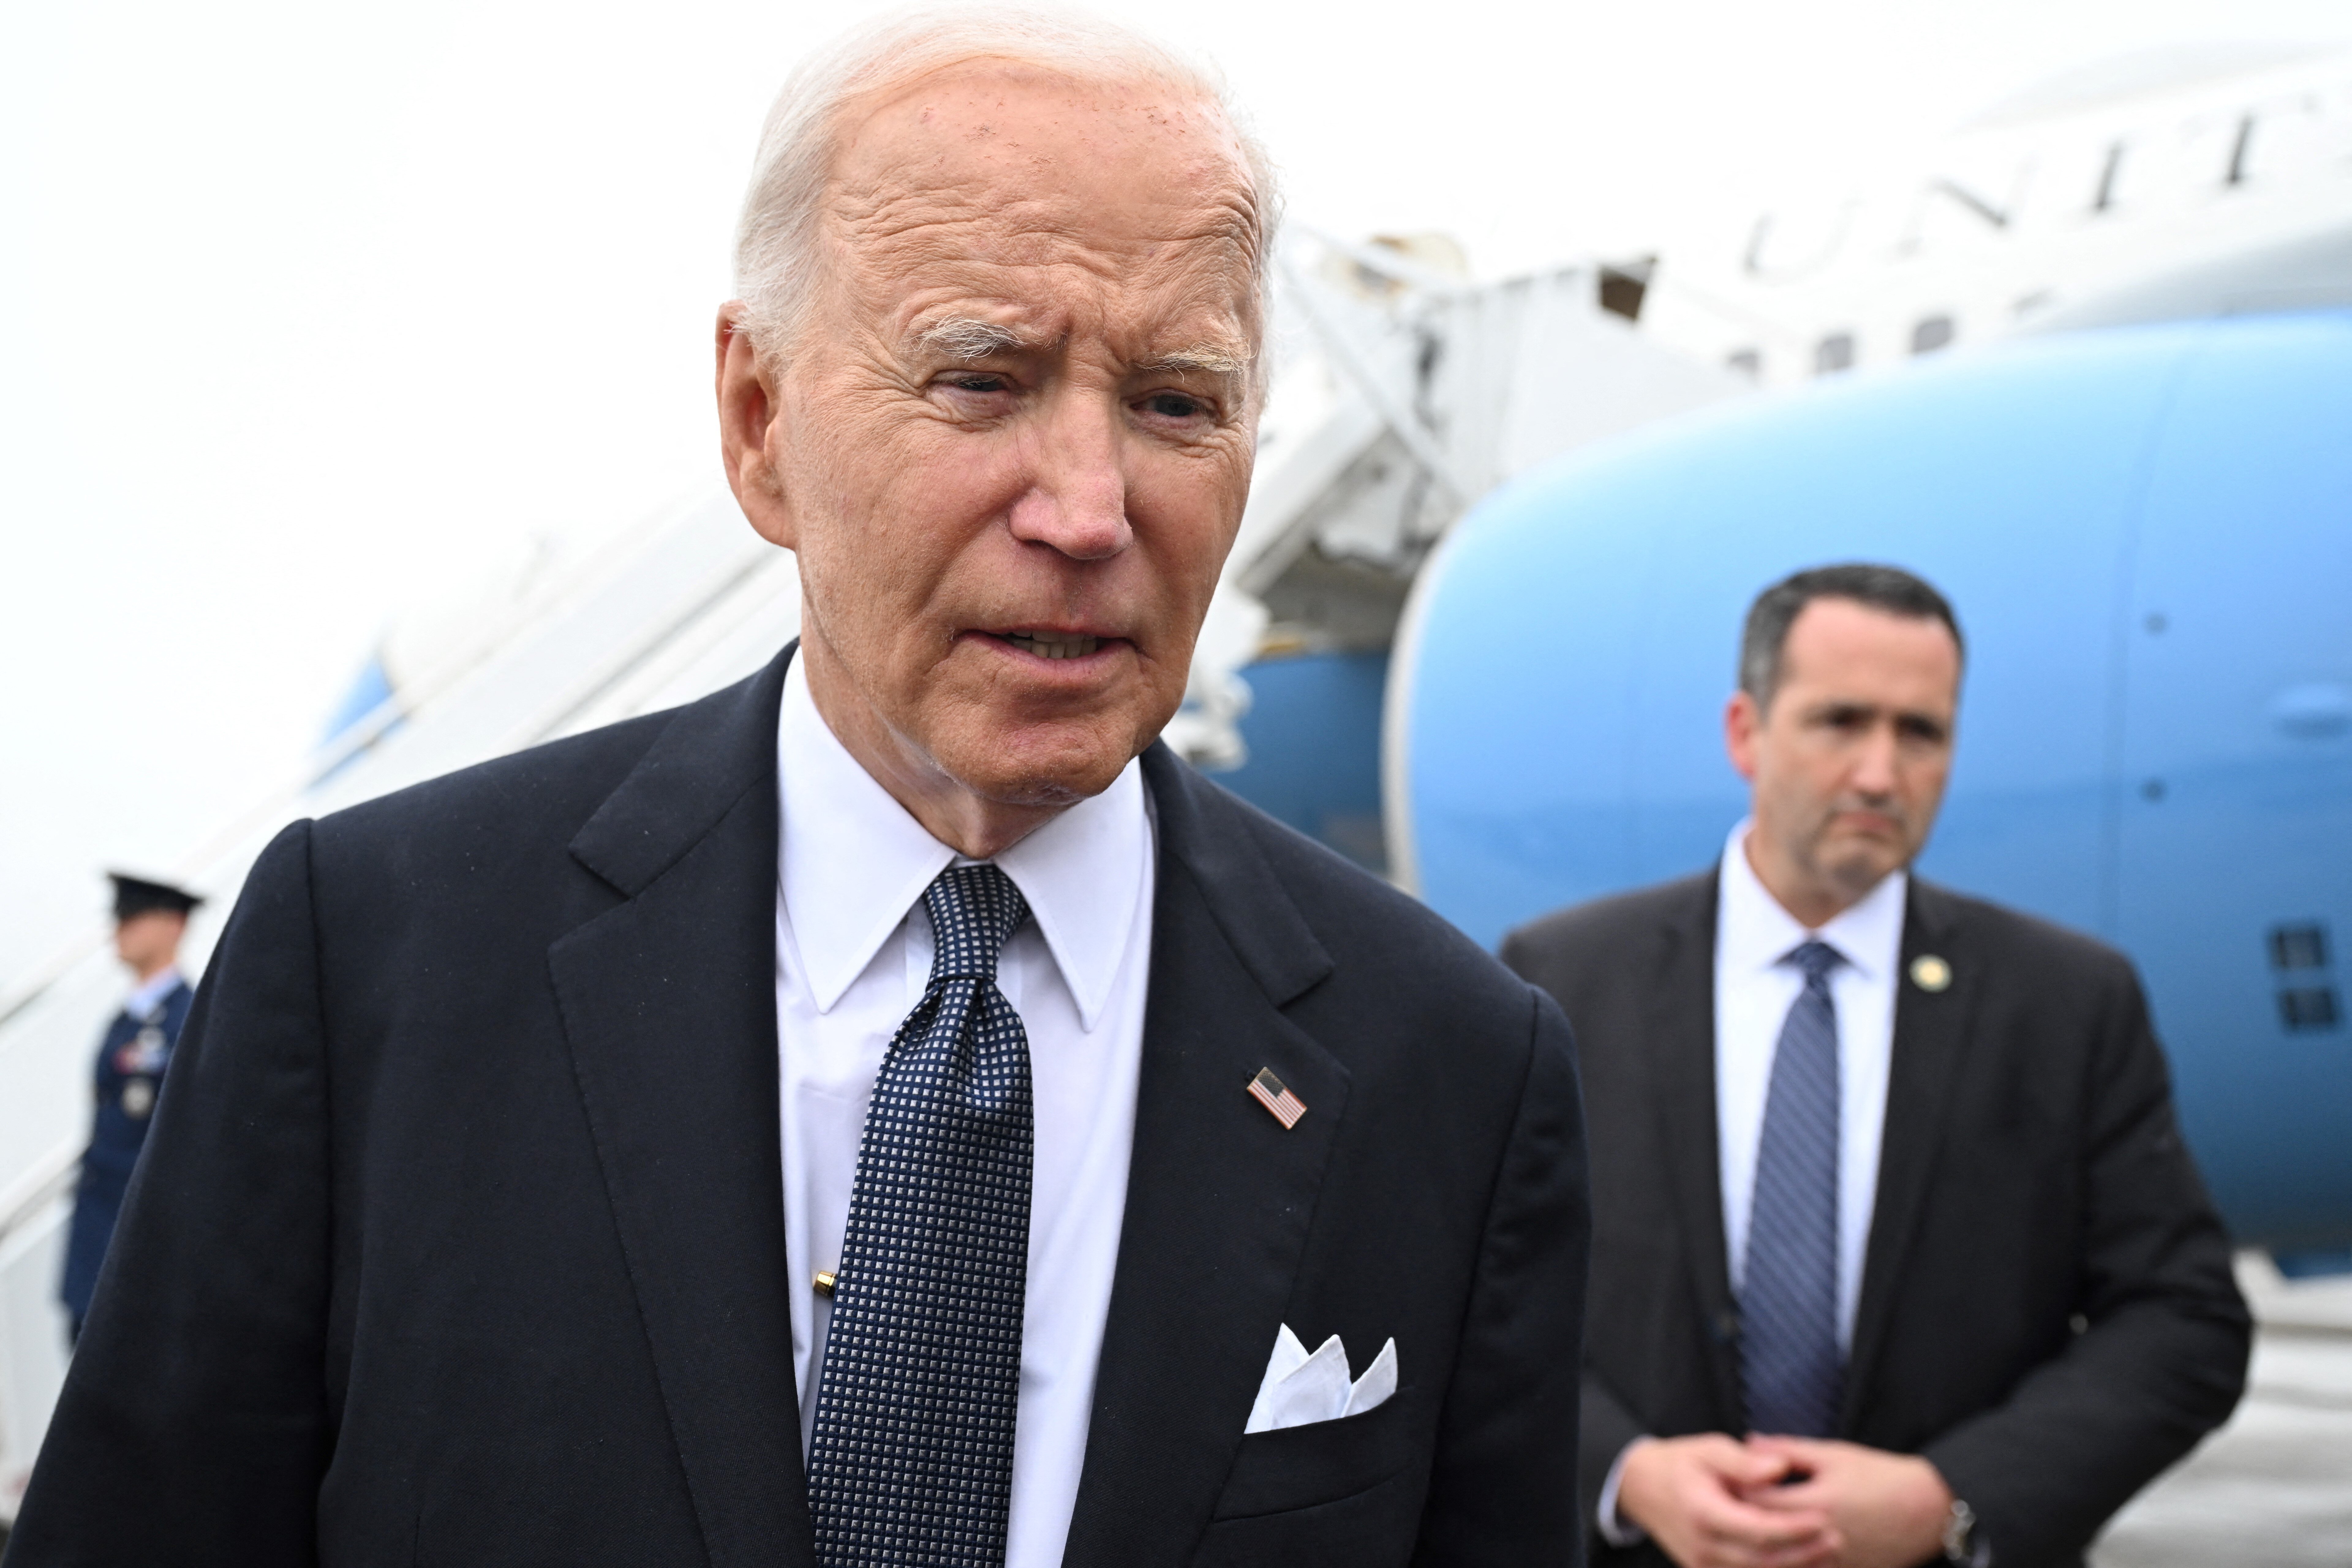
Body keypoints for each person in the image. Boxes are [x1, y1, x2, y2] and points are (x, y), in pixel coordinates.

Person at [6, 12, 1589, 1566]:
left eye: (1179, 402)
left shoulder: (1447, 1062)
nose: (1092, 509)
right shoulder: (374, 960)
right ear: (760, 423)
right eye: (980, 379)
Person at [1502, 564, 2249, 1568]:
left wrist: (1956, 1497)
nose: (1879, 773)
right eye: (1841, 722)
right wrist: (1626, 1473)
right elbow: (1474, 1298)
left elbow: (2184, 1320)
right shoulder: (1561, 984)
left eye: (1921, 733)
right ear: (1745, 732)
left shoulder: (2068, 1004)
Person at [57, 873, 203, 1344]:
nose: (121, 928)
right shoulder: (125, 1021)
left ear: (173, 925)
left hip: (147, 1258)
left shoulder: (193, 1021)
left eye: (135, 916)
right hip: (98, 1245)